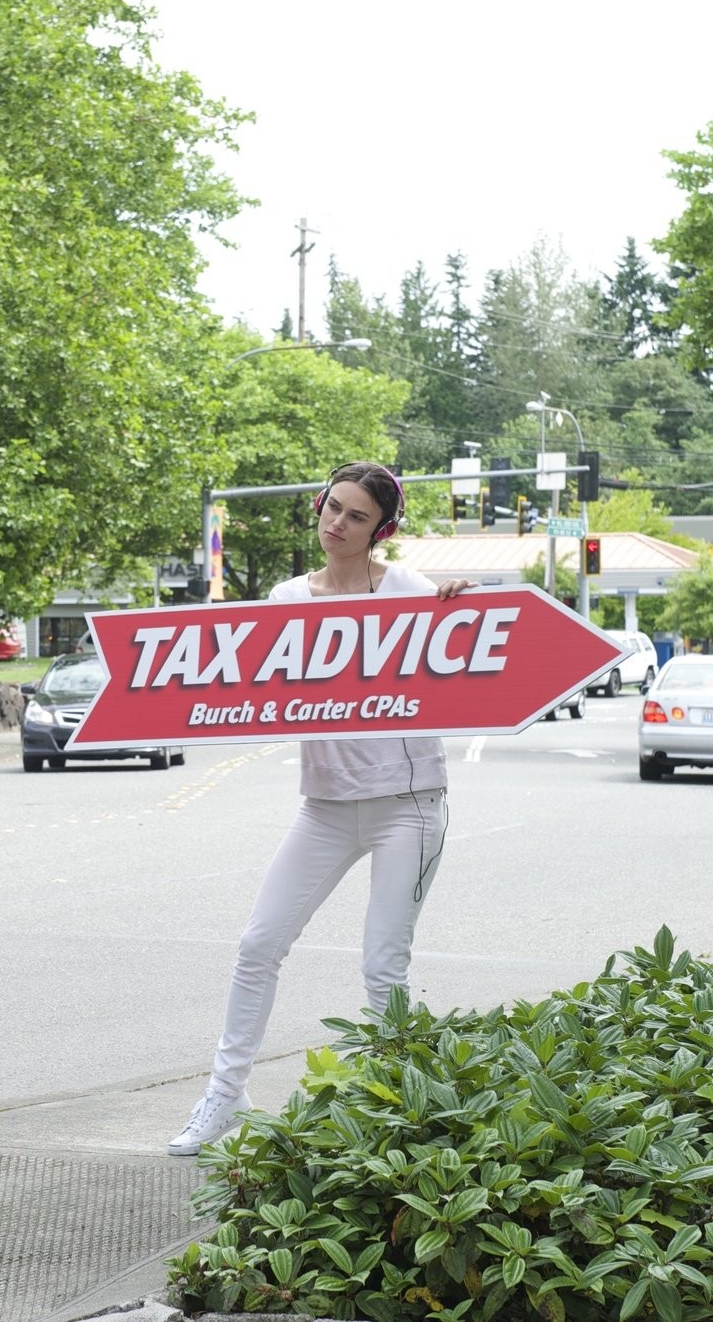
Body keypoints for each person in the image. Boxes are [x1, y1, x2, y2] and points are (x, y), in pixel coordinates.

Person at [168, 461, 475, 1156]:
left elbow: (463, 654)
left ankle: (397, 1104)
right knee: (258, 946)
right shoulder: (285, 597)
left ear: (382, 530)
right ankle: (227, 1094)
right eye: (331, 507)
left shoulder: (409, 590)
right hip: (326, 807)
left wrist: (457, 604)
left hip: (409, 806)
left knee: (382, 966)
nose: (337, 523)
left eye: (356, 516)